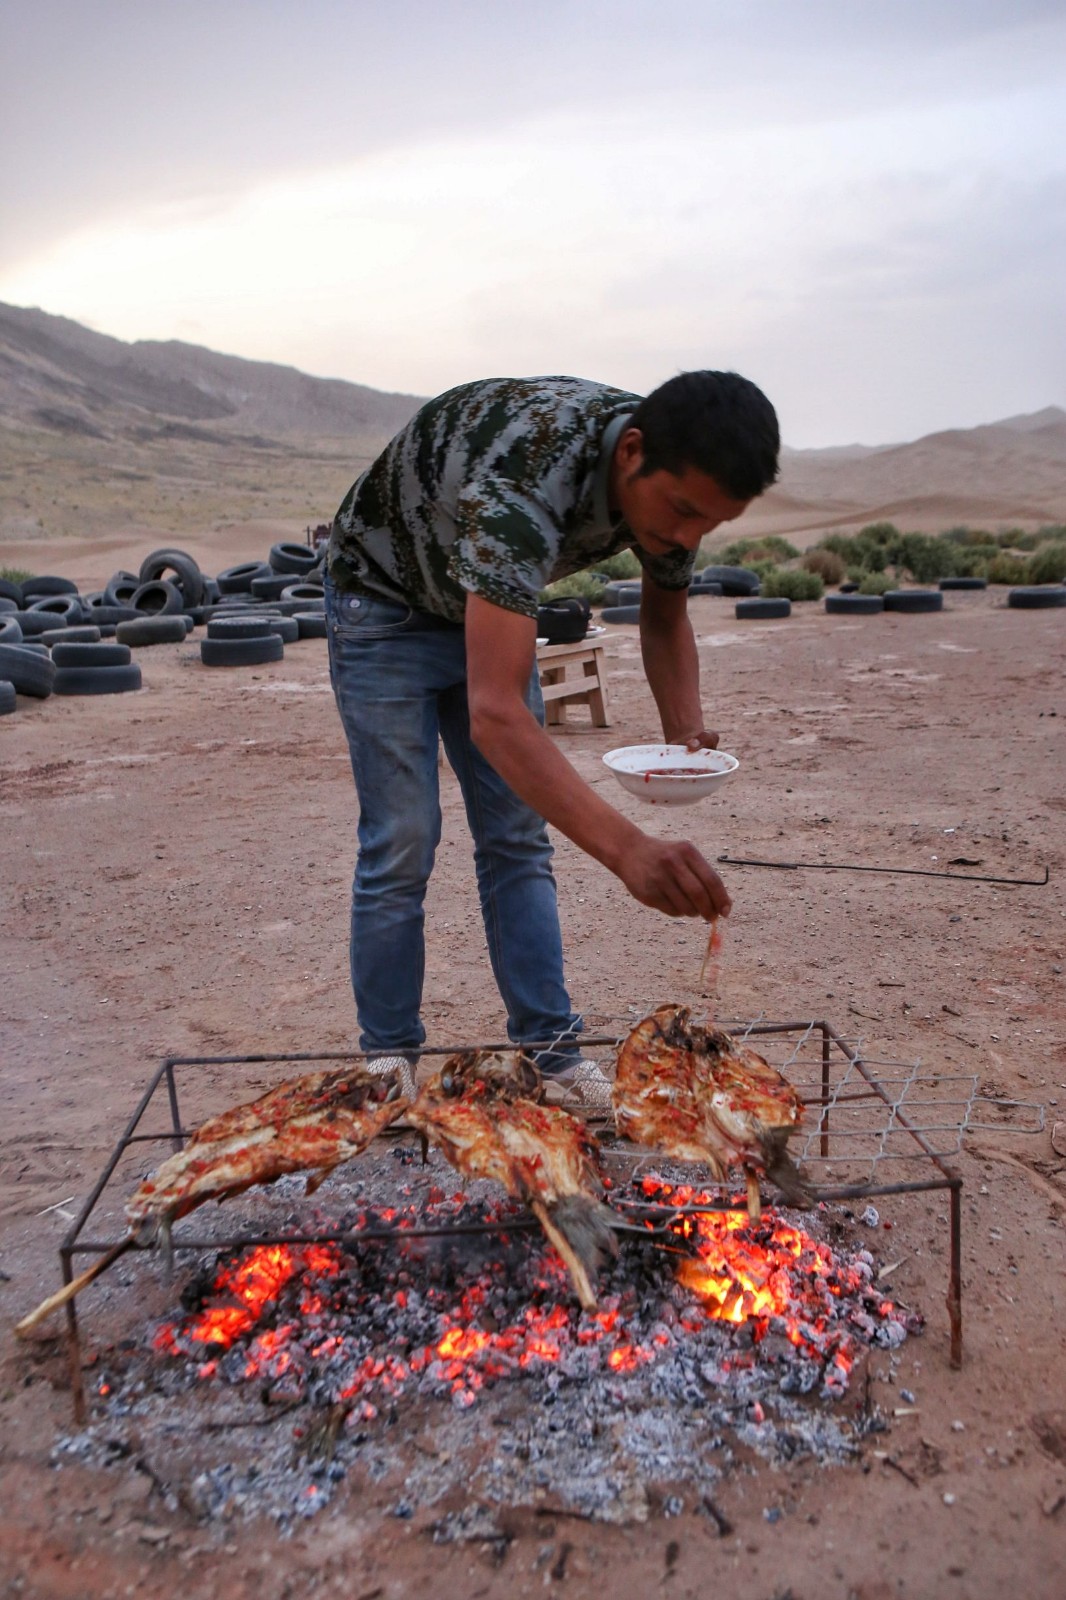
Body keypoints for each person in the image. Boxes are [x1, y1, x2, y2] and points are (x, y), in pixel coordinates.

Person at [325, 370, 780, 1106]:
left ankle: (551, 1054)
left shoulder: (670, 485)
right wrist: (629, 849)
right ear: (630, 452)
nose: (687, 539)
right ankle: (388, 1061)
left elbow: (665, 618)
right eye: (685, 513)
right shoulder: (525, 483)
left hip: (483, 600)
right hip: (384, 603)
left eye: (710, 527)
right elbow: (495, 712)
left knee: (516, 837)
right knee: (402, 837)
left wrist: (684, 731)